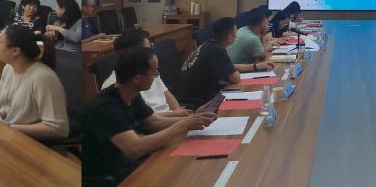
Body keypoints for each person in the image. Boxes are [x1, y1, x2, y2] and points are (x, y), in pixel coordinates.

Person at [82, 47, 216, 184]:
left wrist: (192, 118)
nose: (156, 76)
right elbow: (134, 148)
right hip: (112, 175)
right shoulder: (105, 107)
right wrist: (184, 125)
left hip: (128, 164)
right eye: (154, 72)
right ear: (137, 79)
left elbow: (154, 122)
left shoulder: (131, 93)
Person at [0, 24, 68, 140]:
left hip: (25, 140)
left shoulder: (43, 78)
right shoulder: (9, 68)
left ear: (15, 51)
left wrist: (10, 127)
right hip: (4, 131)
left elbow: (58, 128)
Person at [172, 17, 271, 108]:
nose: (237, 35)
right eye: (235, 33)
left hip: (187, 97)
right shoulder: (216, 50)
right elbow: (235, 78)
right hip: (193, 104)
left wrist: (256, 66)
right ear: (229, 38)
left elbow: (230, 67)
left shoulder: (208, 45)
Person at [101, 28, 190, 116]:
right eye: (148, 49)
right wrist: (178, 116)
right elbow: (146, 120)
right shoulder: (119, 85)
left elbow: (166, 93)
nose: (152, 52)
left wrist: (179, 112)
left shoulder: (149, 69)